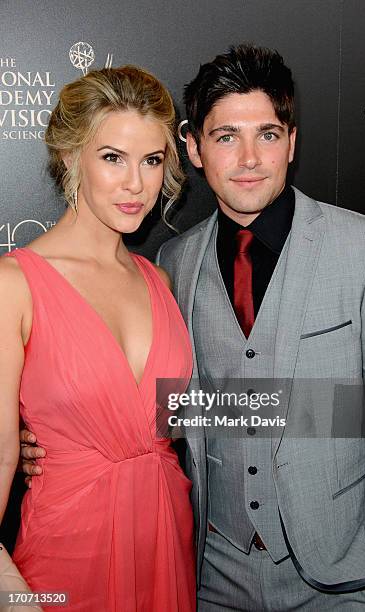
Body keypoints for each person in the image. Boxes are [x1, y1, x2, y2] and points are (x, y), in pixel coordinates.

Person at [21, 45, 365, 610]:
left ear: (292, 143)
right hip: (209, 576)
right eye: (226, 137)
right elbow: (179, 409)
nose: (249, 158)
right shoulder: (172, 264)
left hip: (346, 581)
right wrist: (59, 434)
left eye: (268, 135)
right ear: (195, 149)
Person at [1, 65, 195, 611]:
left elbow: (172, 423)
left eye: (152, 160)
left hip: (165, 544)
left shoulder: (158, 278)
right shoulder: (14, 285)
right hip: (66, 557)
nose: (136, 183)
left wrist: (334, 411)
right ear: (70, 157)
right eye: (113, 157)